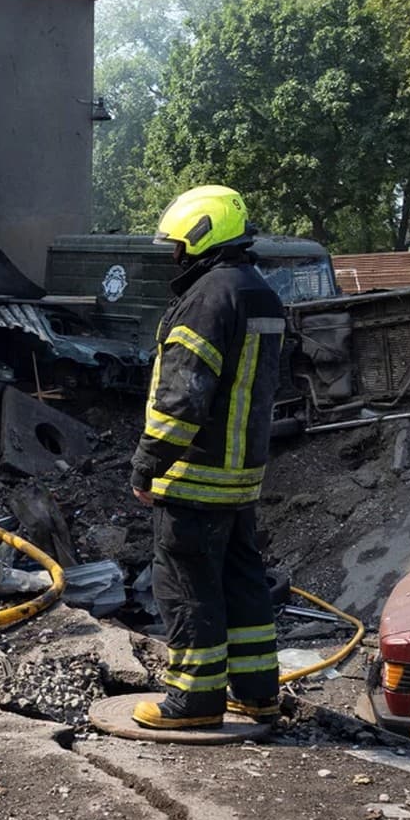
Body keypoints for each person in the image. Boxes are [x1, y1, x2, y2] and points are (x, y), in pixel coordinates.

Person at [129, 185, 286, 730]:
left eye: (178, 245)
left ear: (201, 235)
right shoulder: (260, 292)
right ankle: (259, 692)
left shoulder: (208, 296)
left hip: (194, 471)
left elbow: (183, 396)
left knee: (185, 581)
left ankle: (194, 701)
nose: (175, 255)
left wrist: (148, 462)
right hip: (241, 474)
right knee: (241, 578)